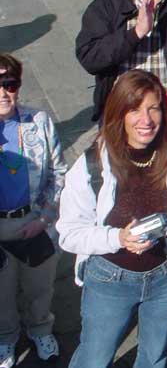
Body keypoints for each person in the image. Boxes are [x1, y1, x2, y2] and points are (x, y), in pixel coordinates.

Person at [57, 70, 167, 368]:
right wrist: (118, 238)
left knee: (155, 357)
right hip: (109, 278)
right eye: (134, 109)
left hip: (165, 277)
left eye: (154, 108)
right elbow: (69, 233)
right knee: (94, 358)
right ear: (119, 113)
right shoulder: (92, 162)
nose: (146, 120)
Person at [0, 53, 67, 368]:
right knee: (1, 292)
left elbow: (58, 173)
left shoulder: (39, 121)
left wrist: (44, 218)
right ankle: (6, 336)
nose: (3, 92)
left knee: (39, 286)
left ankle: (40, 328)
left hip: (35, 218)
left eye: (9, 84)